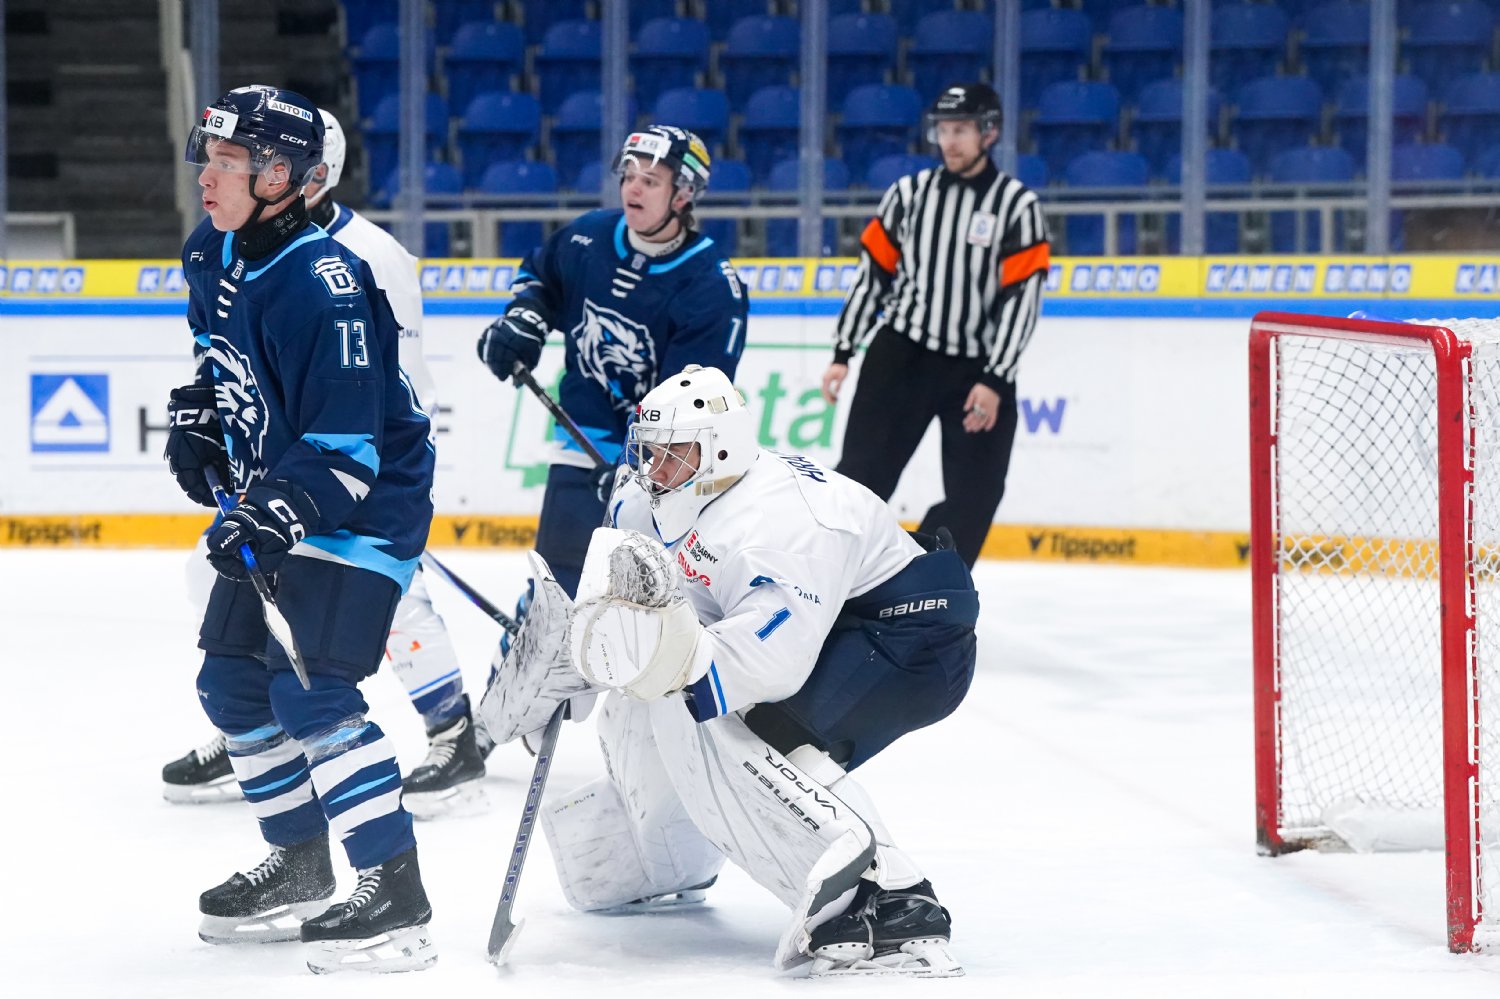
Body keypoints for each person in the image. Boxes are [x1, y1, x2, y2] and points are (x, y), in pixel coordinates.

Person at [478, 365, 978, 977]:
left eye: (672, 455)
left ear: (719, 451)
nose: (653, 470)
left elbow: (767, 665)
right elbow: (617, 607)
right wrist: (574, 670)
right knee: (649, 695)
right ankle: (662, 862)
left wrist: (647, 656)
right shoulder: (654, 497)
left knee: (757, 725)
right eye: (648, 452)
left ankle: (896, 900)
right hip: (835, 617)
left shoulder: (782, 525)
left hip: (913, 634)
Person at [165, 85, 437, 973]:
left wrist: (270, 511)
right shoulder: (212, 249)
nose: (207, 178)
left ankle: (395, 893)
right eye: (207, 159)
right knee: (233, 685)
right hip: (283, 491)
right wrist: (201, 415)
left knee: (312, 692)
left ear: (280, 175)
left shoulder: (326, 286)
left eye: (227, 163)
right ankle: (301, 862)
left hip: (361, 506)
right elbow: (219, 358)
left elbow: (350, 451)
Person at [162, 108, 485, 817]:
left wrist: (345, 476)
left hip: (354, 469)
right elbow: (225, 353)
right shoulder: (229, 244)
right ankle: (257, 723)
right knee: (212, 579)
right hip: (284, 469)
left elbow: (390, 384)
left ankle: (450, 729)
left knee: (391, 611)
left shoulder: (368, 256)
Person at [476, 124, 748, 601]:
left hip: (668, 465)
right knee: (555, 587)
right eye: (629, 175)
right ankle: (530, 638)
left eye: (650, 180)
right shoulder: (588, 237)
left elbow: (693, 403)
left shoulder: (711, 285)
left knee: (641, 600)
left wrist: (635, 468)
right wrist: (524, 321)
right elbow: (539, 277)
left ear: (683, 194)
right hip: (584, 435)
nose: (633, 188)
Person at [820, 82, 1051, 567]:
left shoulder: (1017, 206)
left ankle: (928, 582)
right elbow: (873, 277)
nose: (949, 141)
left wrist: (996, 378)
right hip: (901, 356)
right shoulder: (908, 195)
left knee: (976, 495)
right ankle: (827, 577)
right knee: (860, 480)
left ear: (989, 132)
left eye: (961, 130)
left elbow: (1022, 301)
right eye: (943, 130)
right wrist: (844, 351)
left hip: (976, 371)